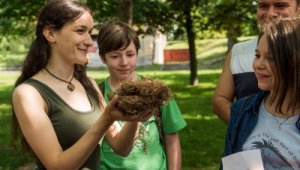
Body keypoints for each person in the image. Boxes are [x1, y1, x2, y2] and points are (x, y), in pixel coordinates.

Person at [11, 1, 150, 169]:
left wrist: (134, 117)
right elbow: (57, 166)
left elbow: (121, 147)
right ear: (50, 34)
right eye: (80, 31)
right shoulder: (28, 94)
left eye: (90, 32)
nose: (90, 41)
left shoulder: (88, 84)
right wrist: (106, 119)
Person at [96, 20, 187, 170]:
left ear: (137, 53)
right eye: (115, 56)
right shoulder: (96, 94)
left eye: (130, 54)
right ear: (103, 58)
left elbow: (172, 140)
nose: (124, 62)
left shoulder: (157, 91)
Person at [221, 17, 300, 169]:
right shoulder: (242, 110)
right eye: (257, 55)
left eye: (270, 58)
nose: (258, 65)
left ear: (295, 62)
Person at [212, 0, 300, 124]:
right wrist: (246, 128)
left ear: (298, 8)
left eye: (280, 5)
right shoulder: (238, 52)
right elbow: (220, 99)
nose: (270, 13)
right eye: (263, 6)